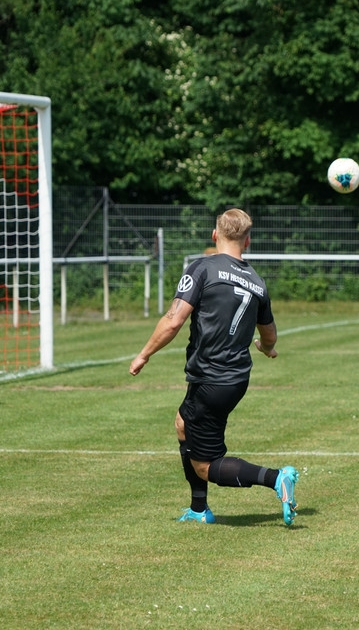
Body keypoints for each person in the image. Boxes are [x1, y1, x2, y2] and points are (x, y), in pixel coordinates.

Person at [128, 208, 299, 526]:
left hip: (211, 378)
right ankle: (198, 509)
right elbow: (270, 334)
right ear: (247, 241)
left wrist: (144, 354)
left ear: (215, 235)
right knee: (183, 423)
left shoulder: (203, 268)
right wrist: (267, 349)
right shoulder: (258, 282)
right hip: (235, 379)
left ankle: (276, 478)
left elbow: (173, 321)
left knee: (206, 466)